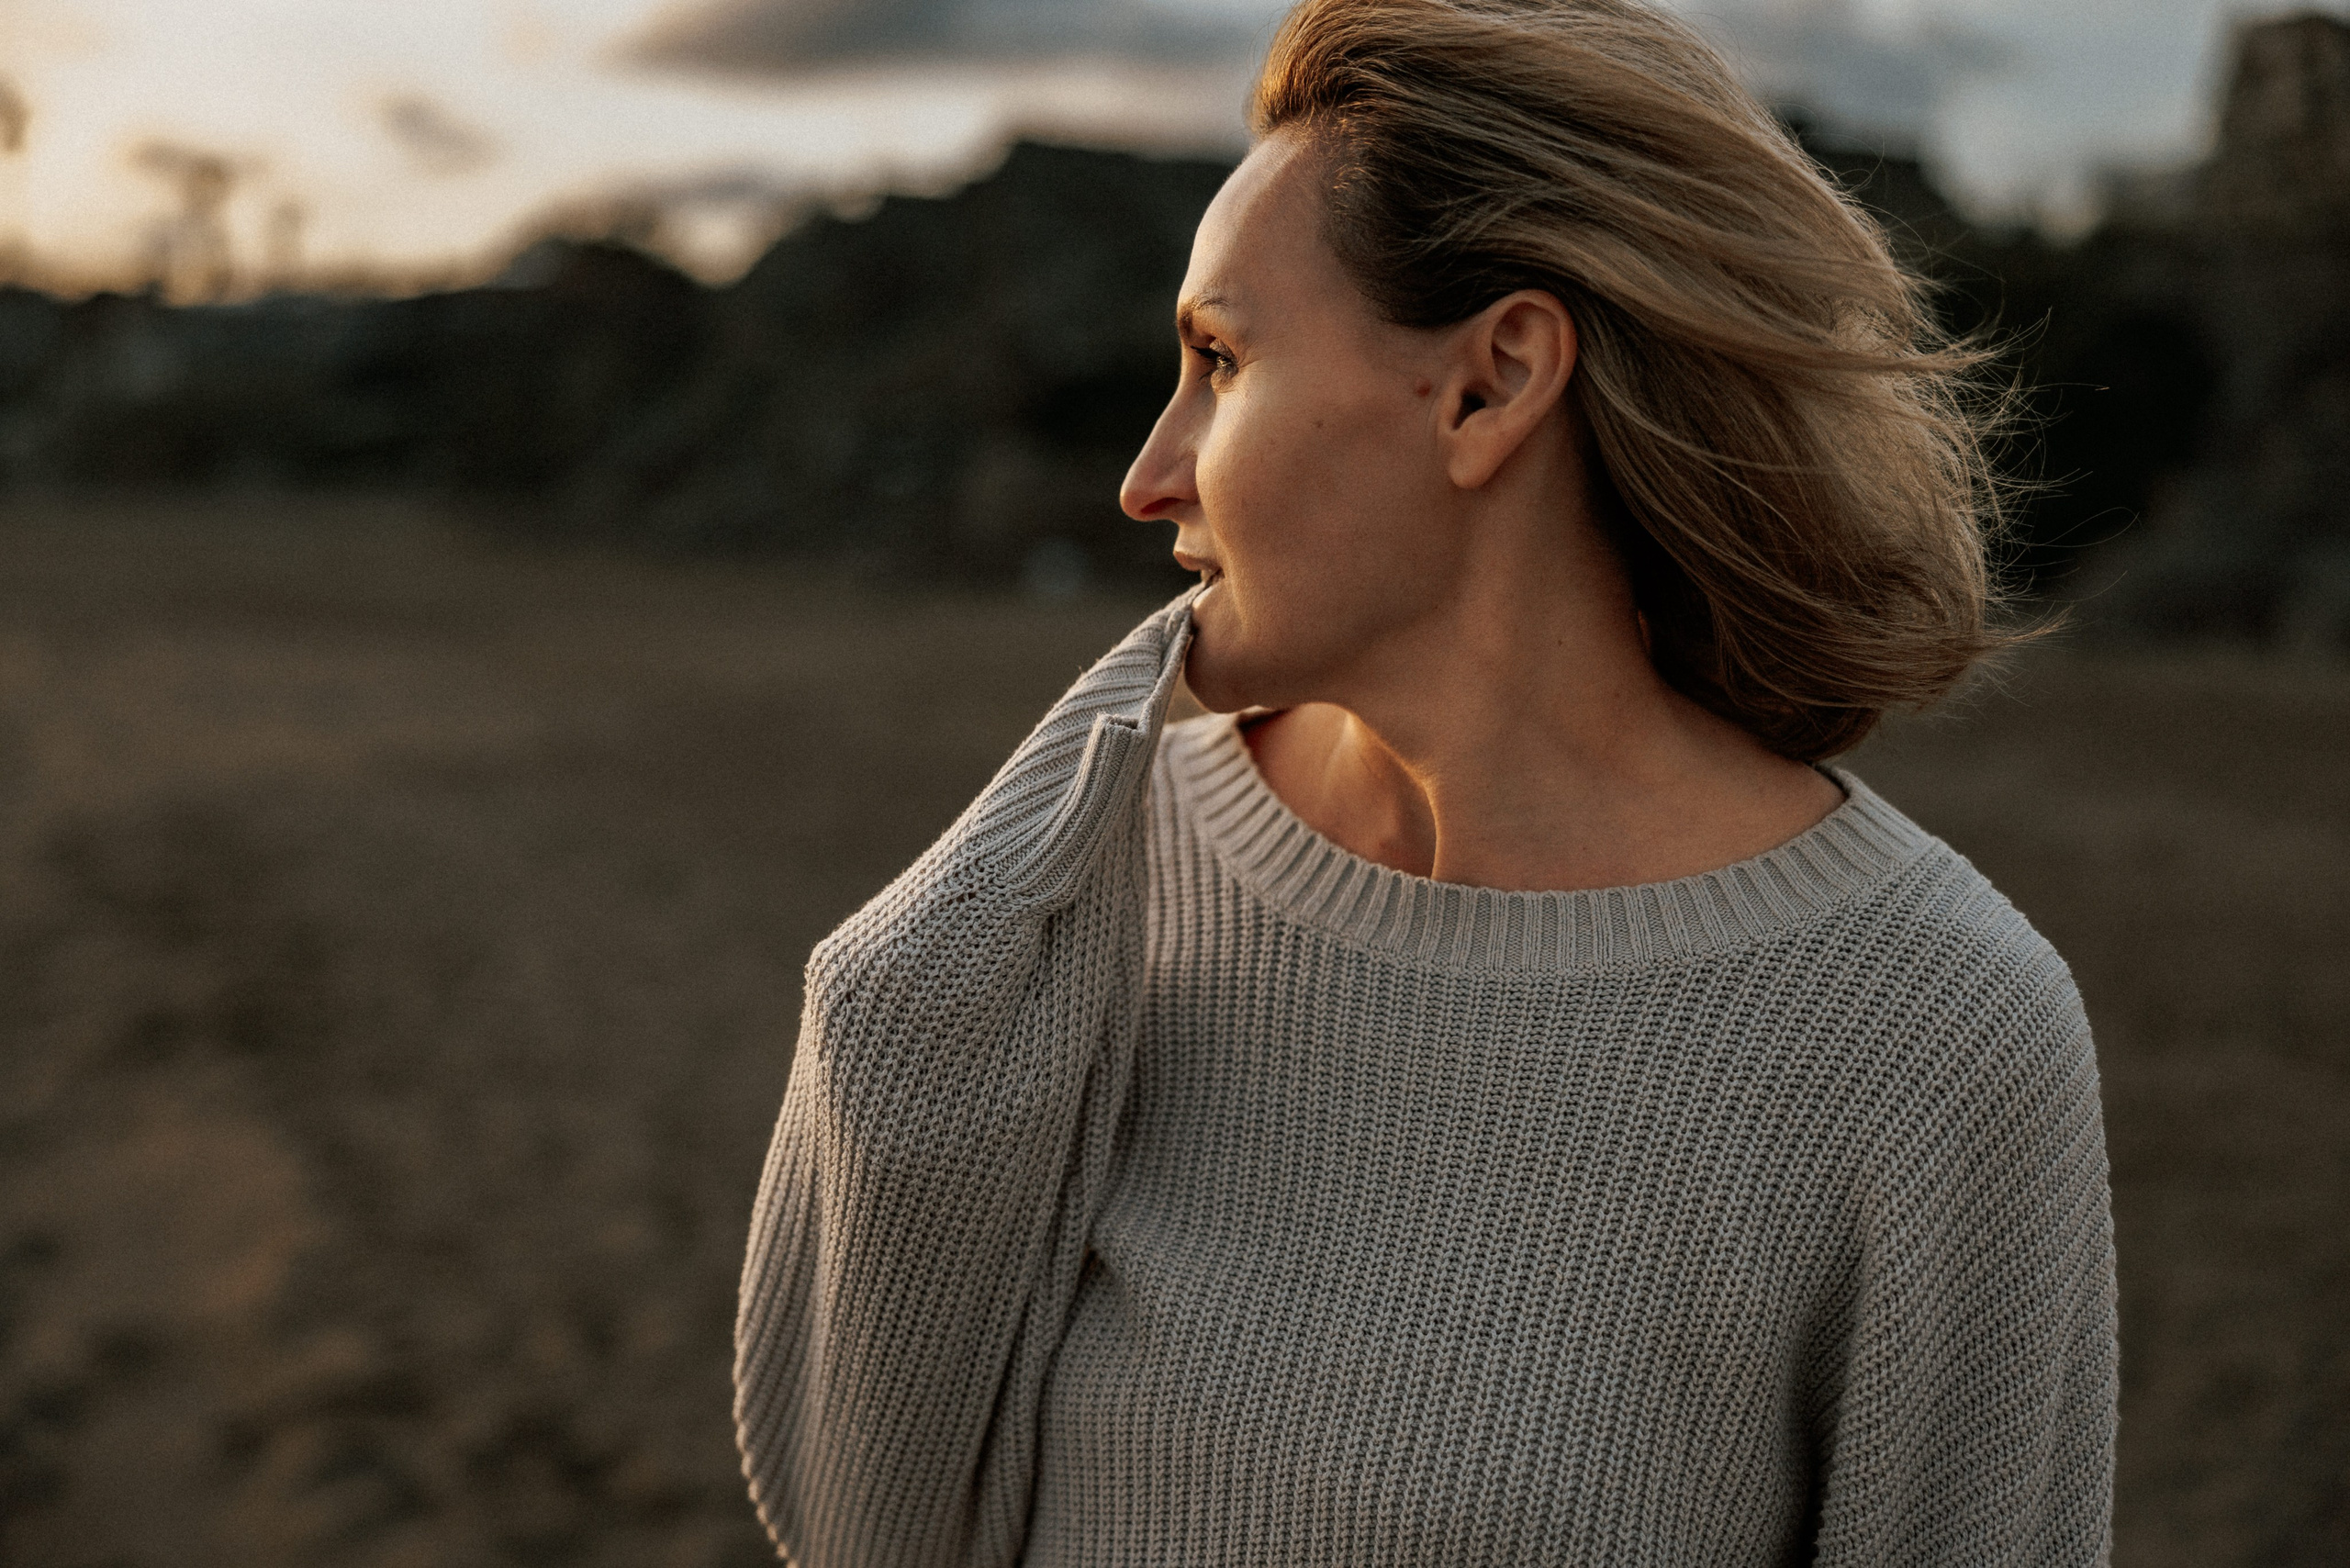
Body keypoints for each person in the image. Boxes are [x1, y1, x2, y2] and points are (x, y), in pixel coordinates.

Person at [732, 0, 2119, 1562]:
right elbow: (868, 1512)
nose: (1149, 473)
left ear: (1490, 385)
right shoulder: (1087, 899)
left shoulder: (1936, 1028)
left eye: (1219, 359)